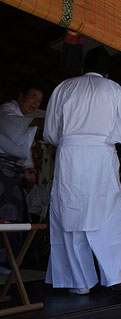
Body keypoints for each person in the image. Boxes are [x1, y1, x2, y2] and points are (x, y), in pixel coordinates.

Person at [43, 45, 121, 295]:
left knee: (71, 218)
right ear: (107, 74)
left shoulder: (64, 87)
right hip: (101, 157)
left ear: (82, 68)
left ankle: (79, 283)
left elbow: (49, 132)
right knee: (109, 216)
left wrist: (70, 141)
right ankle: (113, 276)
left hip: (69, 157)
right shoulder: (114, 90)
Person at [0, 83, 43, 265]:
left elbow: (24, 150)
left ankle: (9, 262)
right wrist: (42, 121)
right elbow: (11, 128)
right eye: (33, 97)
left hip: (13, 173)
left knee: (16, 218)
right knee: (6, 217)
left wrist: (29, 168)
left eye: (40, 101)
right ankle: (3, 261)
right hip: (2, 171)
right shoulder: (6, 110)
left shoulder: (29, 120)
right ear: (21, 96)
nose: (36, 103)